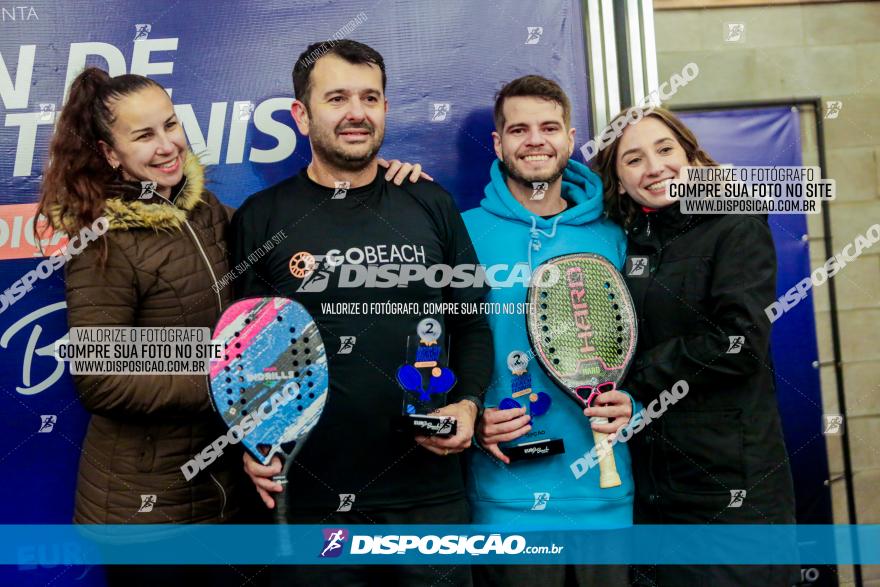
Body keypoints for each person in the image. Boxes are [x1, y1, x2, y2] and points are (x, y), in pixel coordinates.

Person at [229, 39, 493, 587]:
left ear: (386, 110)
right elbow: (243, 354)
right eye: (337, 98)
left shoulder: (429, 203)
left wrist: (468, 405)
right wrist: (252, 442)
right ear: (302, 115)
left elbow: (470, 322)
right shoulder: (262, 218)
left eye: (370, 98)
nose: (356, 112)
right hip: (309, 498)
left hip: (427, 498)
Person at [37, 67, 257, 587]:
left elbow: (280, 231)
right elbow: (102, 377)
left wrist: (366, 182)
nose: (167, 146)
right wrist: (224, 378)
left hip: (223, 492)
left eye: (171, 125)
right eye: (144, 135)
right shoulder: (102, 242)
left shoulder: (203, 208)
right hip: (147, 511)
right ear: (110, 153)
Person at [592, 106, 797, 586]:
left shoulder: (735, 220)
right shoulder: (633, 241)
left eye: (665, 150)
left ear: (691, 157)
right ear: (620, 181)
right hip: (655, 490)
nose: (655, 167)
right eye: (634, 159)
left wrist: (639, 375)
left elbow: (740, 344)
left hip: (732, 488)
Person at [462, 75, 635, 587]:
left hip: (608, 498)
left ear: (570, 136)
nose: (534, 139)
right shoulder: (463, 233)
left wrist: (638, 405)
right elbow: (437, 344)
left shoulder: (614, 235)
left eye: (549, 127)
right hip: (506, 504)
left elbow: (649, 349)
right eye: (518, 129)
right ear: (498, 143)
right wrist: (470, 414)